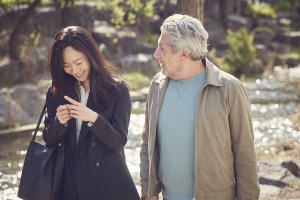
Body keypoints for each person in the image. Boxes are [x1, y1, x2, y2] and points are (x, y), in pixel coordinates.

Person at [140, 14, 260, 200]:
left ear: (184, 54)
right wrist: (148, 192)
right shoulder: (157, 84)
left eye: (162, 49)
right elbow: (147, 142)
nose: (156, 54)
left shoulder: (230, 88)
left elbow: (245, 155)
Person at [43, 26, 140, 200]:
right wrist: (60, 122)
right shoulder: (56, 91)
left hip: (106, 183)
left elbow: (118, 142)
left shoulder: (117, 90)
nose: (74, 70)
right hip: (69, 183)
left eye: (79, 62)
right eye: (67, 65)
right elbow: (48, 139)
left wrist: (94, 119)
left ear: (90, 55)